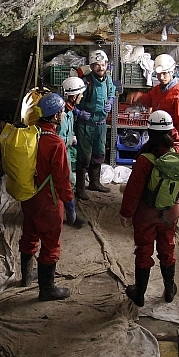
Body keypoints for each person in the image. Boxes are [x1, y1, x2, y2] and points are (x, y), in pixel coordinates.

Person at [119, 111, 179, 307]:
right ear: (170, 131)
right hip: (170, 212)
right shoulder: (176, 155)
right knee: (167, 248)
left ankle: (139, 294)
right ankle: (169, 290)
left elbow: (133, 191)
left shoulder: (145, 160)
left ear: (149, 132)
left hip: (146, 215)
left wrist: (126, 213)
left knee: (144, 251)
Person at [19, 93, 75, 301]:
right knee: (51, 243)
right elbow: (62, 179)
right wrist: (69, 204)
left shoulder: (29, 134)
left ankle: (26, 278)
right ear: (56, 115)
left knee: (29, 234)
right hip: (48, 200)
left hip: (28, 195)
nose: (63, 115)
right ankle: (47, 289)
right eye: (62, 112)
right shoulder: (55, 143)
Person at [126, 54, 179, 152]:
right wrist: (139, 96)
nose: (161, 77)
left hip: (171, 140)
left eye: (164, 73)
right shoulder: (158, 89)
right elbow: (150, 100)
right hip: (158, 136)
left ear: (172, 72)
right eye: (158, 74)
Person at [73, 49, 117, 199]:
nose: (101, 67)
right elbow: (72, 100)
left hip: (101, 125)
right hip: (86, 125)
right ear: (91, 66)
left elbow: (112, 91)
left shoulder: (108, 79)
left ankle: (95, 182)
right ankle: (80, 188)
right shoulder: (85, 82)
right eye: (97, 65)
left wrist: (110, 101)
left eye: (103, 64)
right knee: (84, 157)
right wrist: (78, 112)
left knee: (99, 154)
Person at [59, 77, 87, 228]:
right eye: (80, 94)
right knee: (68, 184)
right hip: (60, 155)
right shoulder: (62, 115)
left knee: (69, 184)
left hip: (66, 153)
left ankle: (70, 215)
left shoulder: (69, 112)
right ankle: (71, 217)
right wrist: (69, 140)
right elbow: (56, 141)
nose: (81, 96)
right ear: (73, 95)